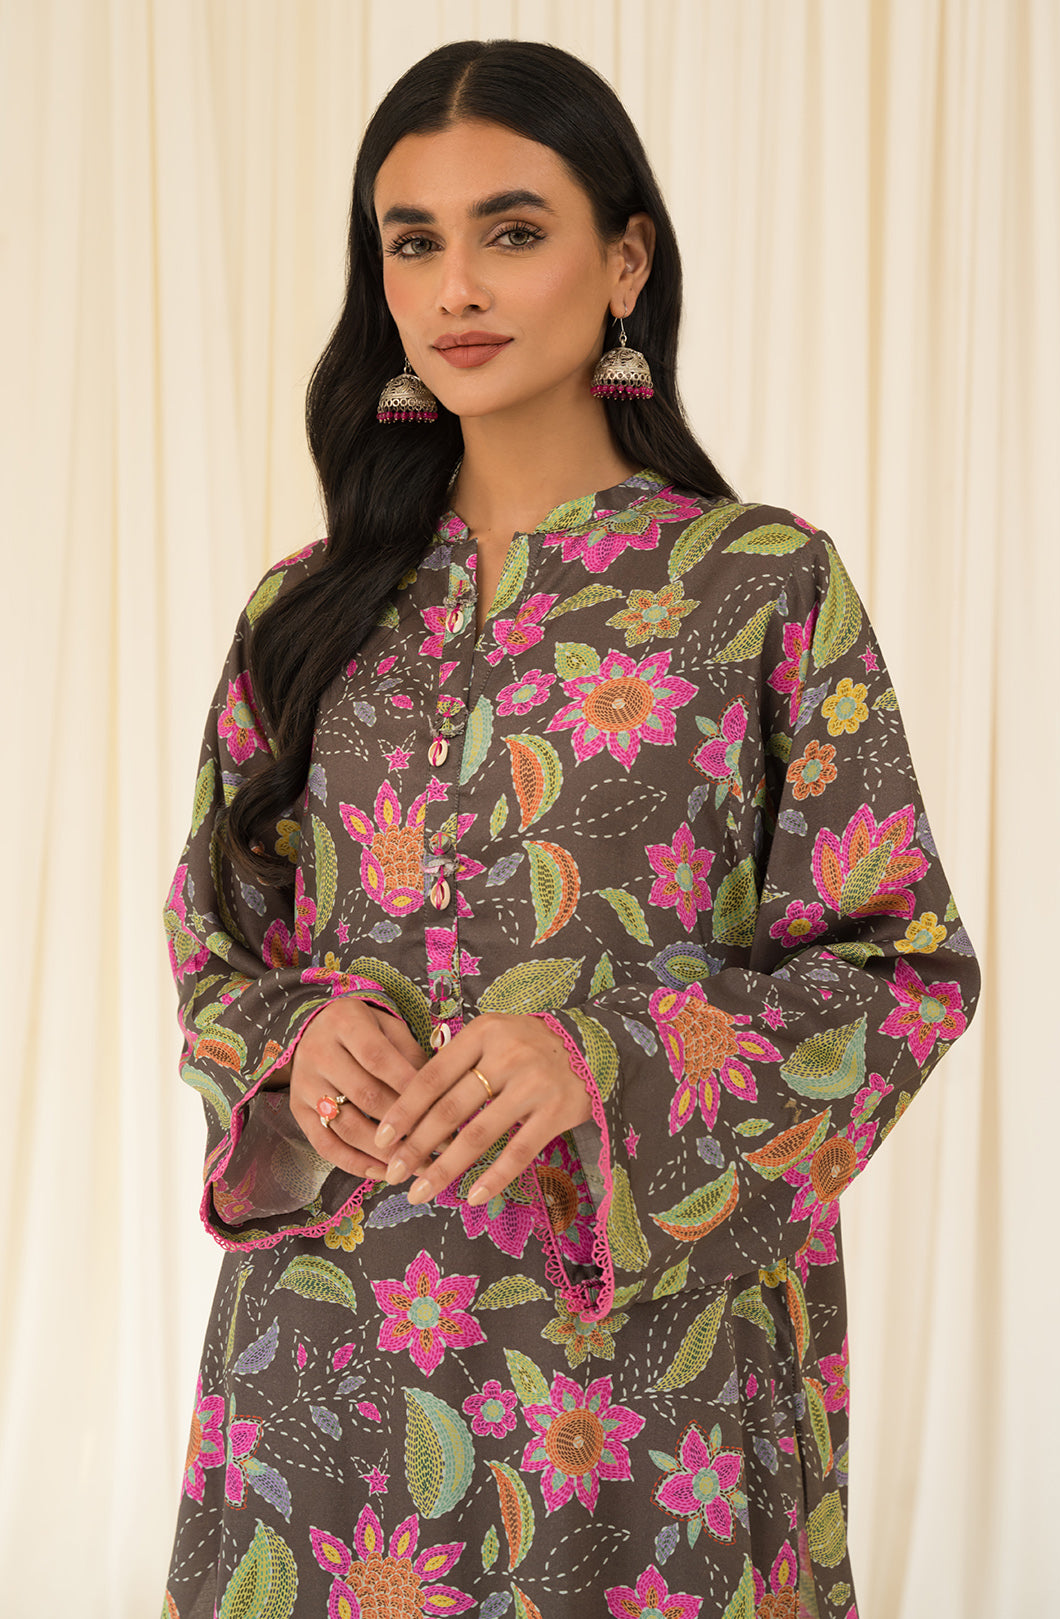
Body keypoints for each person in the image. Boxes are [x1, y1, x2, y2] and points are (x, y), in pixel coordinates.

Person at [162, 37, 980, 1619]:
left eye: (514, 231)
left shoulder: (755, 586)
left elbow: (902, 973)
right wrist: (290, 1041)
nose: (456, 286)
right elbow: (217, 939)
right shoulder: (307, 612)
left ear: (625, 262)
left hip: (643, 1380)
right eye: (413, 242)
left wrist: (601, 1059)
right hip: (325, 1358)